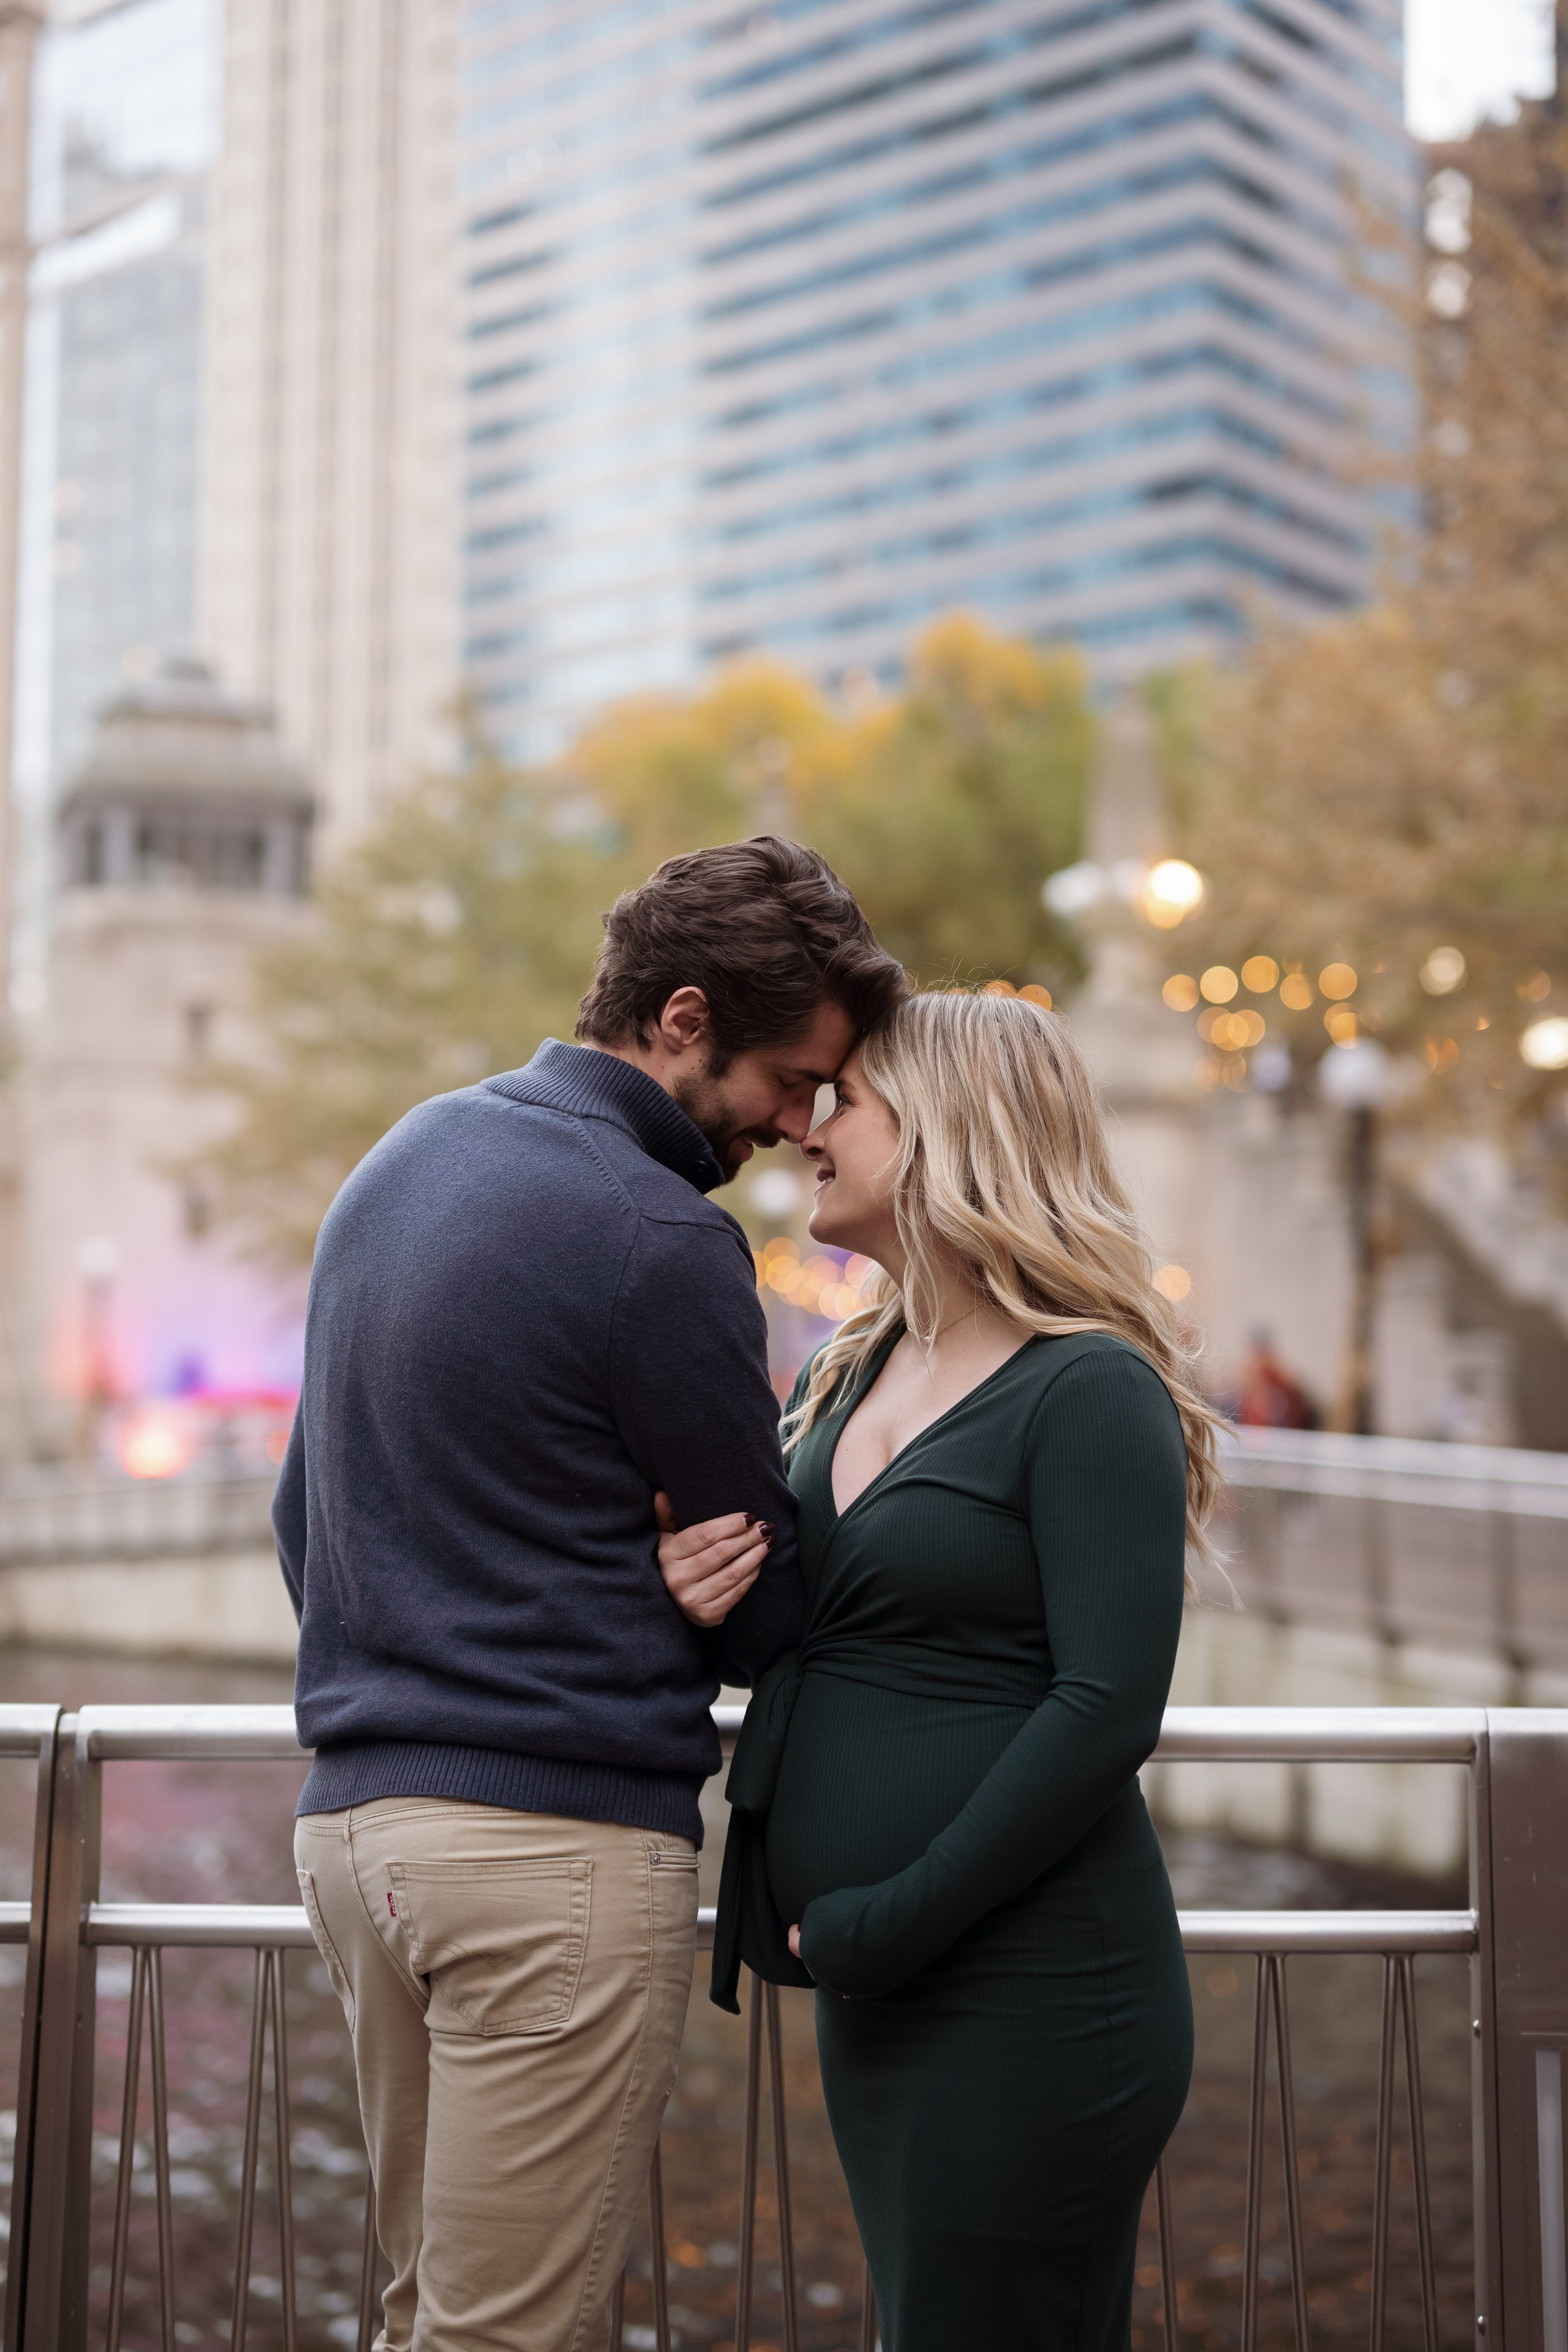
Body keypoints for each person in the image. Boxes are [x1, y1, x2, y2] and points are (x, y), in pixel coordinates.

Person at [278, 836, 905, 2352]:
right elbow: (764, 1608)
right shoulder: (658, 1237)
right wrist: (672, 1587)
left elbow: (304, 1518)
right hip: (545, 1856)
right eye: (784, 1076)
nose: (791, 1124)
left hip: (354, 1838)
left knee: (427, 2315)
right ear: (680, 1017)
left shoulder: (397, 1164)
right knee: (508, 2336)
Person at [658, 990, 1224, 2352]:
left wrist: (893, 1916)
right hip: (883, 1983)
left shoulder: (1086, 1390)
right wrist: (690, 1597)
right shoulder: (845, 1373)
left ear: (952, 1131)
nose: (803, 1124)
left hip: (1022, 1986)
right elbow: (809, 1631)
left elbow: (1103, 1711)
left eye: (841, 1100)